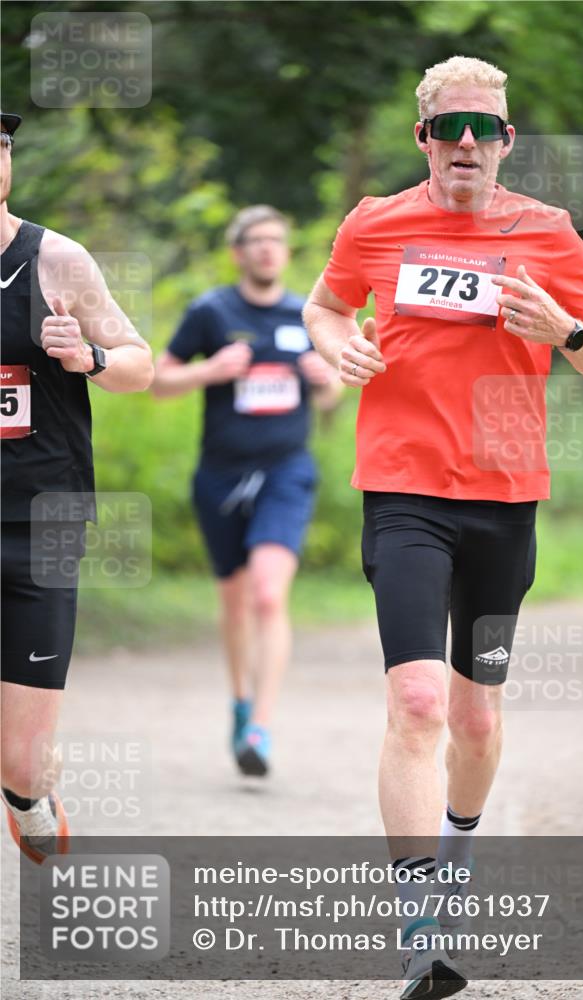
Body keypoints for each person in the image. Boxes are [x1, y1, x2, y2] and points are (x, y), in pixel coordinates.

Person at [303, 56, 583, 999]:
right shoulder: (374, 222)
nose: (465, 145)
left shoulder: (546, 231)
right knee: (415, 703)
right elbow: (323, 306)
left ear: (506, 140)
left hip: (504, 499)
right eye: (448, 128)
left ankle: (454, 854)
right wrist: (340, 347)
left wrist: (563, 331)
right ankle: (419, 929)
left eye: (483, 129)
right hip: (402, 490)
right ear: (423, 138)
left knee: (475, 719)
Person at [0, 112, 154, 864]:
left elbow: (139, 364)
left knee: (21, 762)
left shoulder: (54, 259)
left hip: (41, 522)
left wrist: (87, 356)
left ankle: (30, 792)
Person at [152, 205, 340, 777]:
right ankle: (238, 701)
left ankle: (260, 726)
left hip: (287, 471)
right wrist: (209, 372)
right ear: (237, 252)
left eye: (276, 241)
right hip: (220, 475)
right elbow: (158, 380)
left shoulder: (305, 314)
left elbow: (334, 396)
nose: (267, 250)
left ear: (285, 253)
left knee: (266, 594)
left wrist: (325, 381)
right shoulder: (211, 311)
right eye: (255, 241)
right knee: (234, 598)